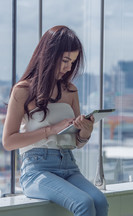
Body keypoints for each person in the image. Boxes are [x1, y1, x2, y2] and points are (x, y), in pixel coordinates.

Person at [2, 25, 109, 216]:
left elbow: (77, 143)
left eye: (73, 62)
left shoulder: (71, 90)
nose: (69, 67)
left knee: (100, 201)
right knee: (84, 203)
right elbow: (9, 141)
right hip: (36, 169)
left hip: (69, 165)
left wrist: (85, 131)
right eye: (65, 60)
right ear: (49, 55)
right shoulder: (22, 90)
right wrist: (50, 129)